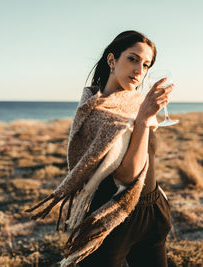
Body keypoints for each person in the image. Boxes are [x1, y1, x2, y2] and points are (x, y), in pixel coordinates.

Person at [77, 30, 174, 266]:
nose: (139, 70)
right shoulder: (96, 114)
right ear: (112, 60)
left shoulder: (137, 104)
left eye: (146, 64)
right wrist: (142, 120)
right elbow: (127, 175)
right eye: (132, 59)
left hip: (153, 212)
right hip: (114, 217)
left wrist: (158, 199)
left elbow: (147, 159)